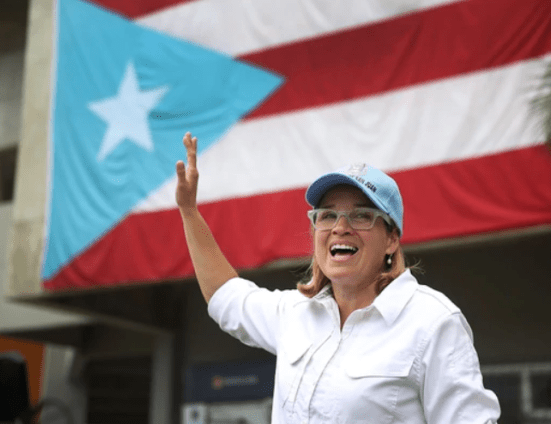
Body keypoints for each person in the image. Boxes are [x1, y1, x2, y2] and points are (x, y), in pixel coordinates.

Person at [176, 132, 501, 423]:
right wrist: (189, 212)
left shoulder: (432, 323)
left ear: (391, 239)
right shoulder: (295, 313)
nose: (340, 227)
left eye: (361, 215)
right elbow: (225, 295)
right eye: (328, 214)